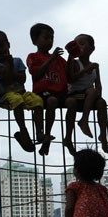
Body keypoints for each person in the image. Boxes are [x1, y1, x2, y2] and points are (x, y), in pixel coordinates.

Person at [0, 30, 44, 152]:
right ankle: (23, 130)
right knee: (16, 99)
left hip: (22, 93)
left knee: (37, 100)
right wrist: (10, 68)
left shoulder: (17, 61)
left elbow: (22, 79)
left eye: (1, 46)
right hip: (5, 96)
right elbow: (6, 81)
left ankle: (39, 131)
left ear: (8, 45)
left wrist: (10, 68)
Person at [26, 23, 74, 156]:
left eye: (51, 38)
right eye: (46, 38)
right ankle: (46, 135)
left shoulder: (59, 59)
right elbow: (36, 74)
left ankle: (68, 137)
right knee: (51, 101)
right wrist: (51, 58)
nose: (50, 41)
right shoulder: (33, 57)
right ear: (35, 41)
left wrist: (70, 56)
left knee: (72, 102)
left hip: (60, 93)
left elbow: (68, 74)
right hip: (43, 93)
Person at [65, 34, 108, 154]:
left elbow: (98, 84)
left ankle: (103, 136)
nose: (79, 46)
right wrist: (85, 71)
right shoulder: (75, 63)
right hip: (75, 94)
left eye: (82, 43)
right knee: (92, 91)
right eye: (76, 44)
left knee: (102, 103)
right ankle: (84, 120)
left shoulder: (95, 66)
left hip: (89, 97)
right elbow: (70, 79)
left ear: (91, 48)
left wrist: (98, 96)